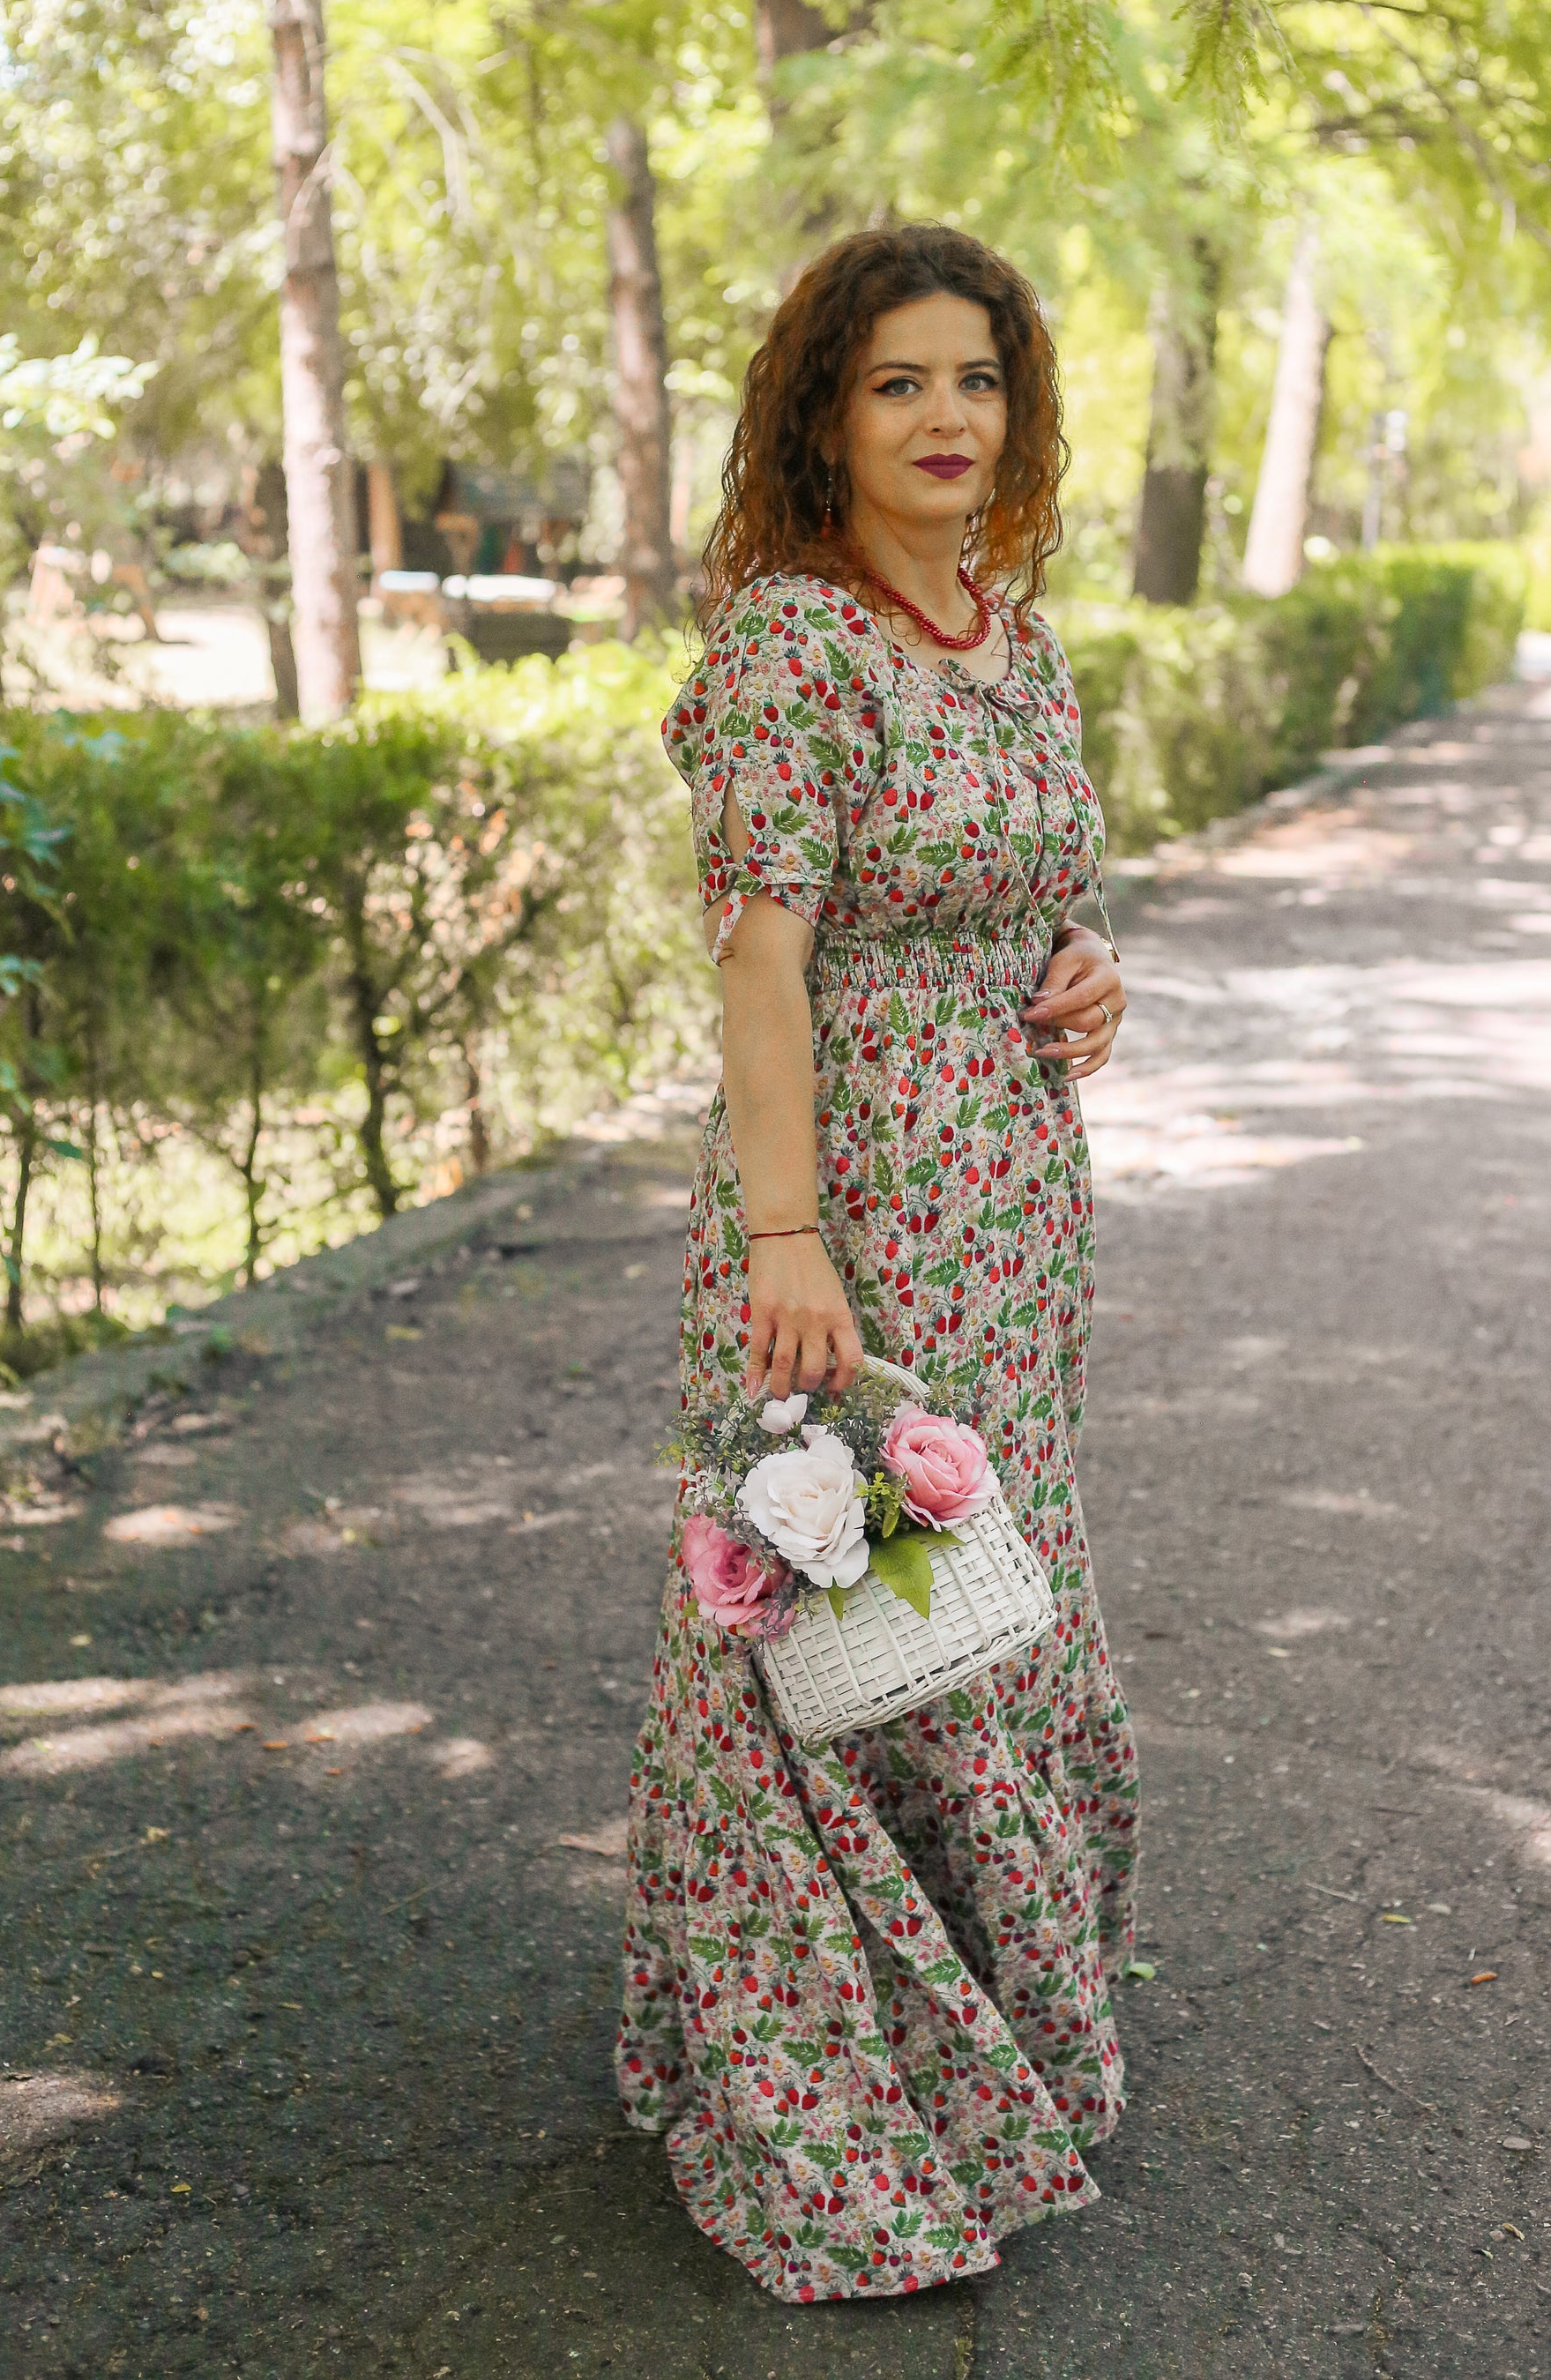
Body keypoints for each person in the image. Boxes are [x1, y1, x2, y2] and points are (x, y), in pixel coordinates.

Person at [615, 223, 1139, 2302]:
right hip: (842, 1206)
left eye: (976, 381)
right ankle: (833, 2093)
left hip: (1014, 1201)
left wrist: (1087, 970)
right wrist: (785, 1236)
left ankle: (994, 2031)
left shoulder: (1013, 634)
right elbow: (762, 963)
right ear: (825, 415)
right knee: (833, 1619)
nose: (945, 419)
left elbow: (1040, 893)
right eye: (898, 382)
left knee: (992, 1603)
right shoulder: (788, 646)